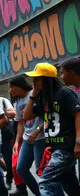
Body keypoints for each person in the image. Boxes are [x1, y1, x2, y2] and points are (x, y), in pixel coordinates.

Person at [23, 62, 80, 196]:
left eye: (37, 79)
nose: (34, 82)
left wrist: (78, 142)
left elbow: (78, 114)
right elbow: (27, 116)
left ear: (46, 80)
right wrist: (33, 95)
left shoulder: (64, 93)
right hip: (53, 148)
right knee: (70, 184)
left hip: (65, 148)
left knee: (45, 182)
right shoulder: (44, 98)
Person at [9, 75, 44, 196]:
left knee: (42, 171)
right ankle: (39, 193)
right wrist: (18, 141)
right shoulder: (18, 101)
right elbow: (20, 122)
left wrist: (38, 130)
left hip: (41, 139)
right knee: (21, 169)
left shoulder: (35, 94)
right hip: (26, 140)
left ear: (19, 86)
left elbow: (48, 116)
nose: (10, 90)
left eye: (12, 87)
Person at [59, 57, 80, 186]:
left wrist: (78, 142)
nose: (61, 76)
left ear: (71, 72)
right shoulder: (74, 92)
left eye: (62, 72)